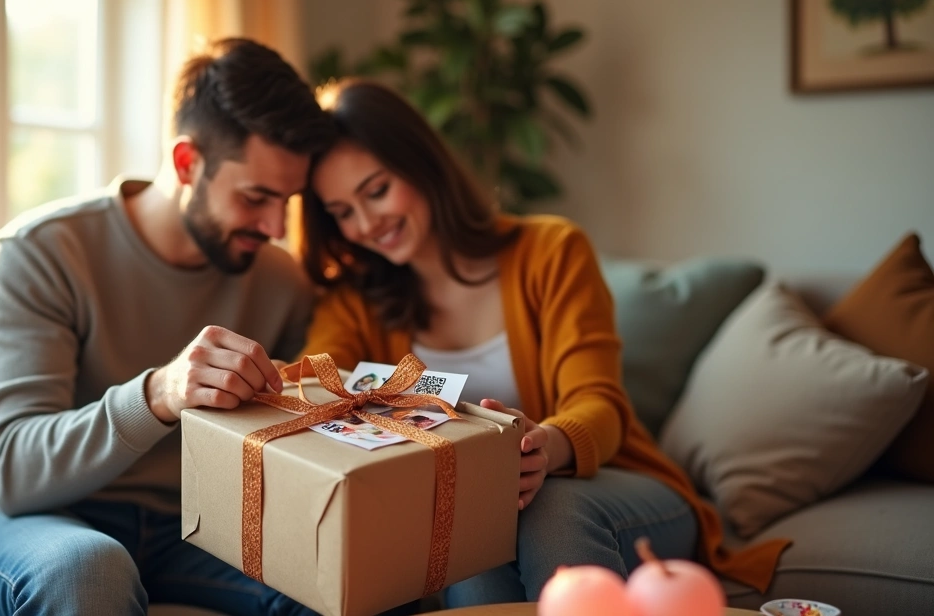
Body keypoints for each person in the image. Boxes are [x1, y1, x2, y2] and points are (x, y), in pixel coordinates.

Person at [296, 79, 789, 607]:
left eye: (376, 191)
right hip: (469, 509)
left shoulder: (552, 251)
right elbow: (308, 391)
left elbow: (600, 402)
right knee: (471, 539)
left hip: (613, 486)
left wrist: (546, 448)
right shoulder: (353, 300)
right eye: (342, 212)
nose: (367, 224)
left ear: (423, 165)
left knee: (547, 510)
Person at [0, 38, 336, 616]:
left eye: (287, 201)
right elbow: (12, 472)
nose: (275, 226)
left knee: (343, 578)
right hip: (24, 520)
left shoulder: (280, 282)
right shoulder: (41, 252)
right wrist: (160, 394)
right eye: (255, 198)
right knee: (88, 570)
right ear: (187, 163)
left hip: (189, 525)